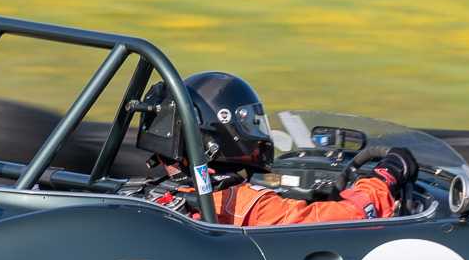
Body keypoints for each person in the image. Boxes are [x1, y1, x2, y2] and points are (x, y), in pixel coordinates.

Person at [122, 72, 419, 227]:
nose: (256, 130)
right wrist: (383, 179)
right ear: (216, 137)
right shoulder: (245, 205)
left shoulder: (150, 190)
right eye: (248, 121)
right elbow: (349, 216)